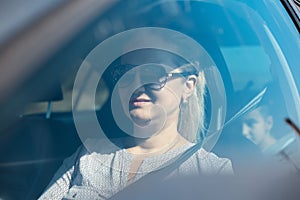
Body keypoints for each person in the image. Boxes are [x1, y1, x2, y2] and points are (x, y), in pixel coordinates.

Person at [39, 49, 233, 199]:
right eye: (126, 73)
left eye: (152, 72)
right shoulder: (88, 155)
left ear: (188, 86)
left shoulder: (212, 171)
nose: (135, 83)